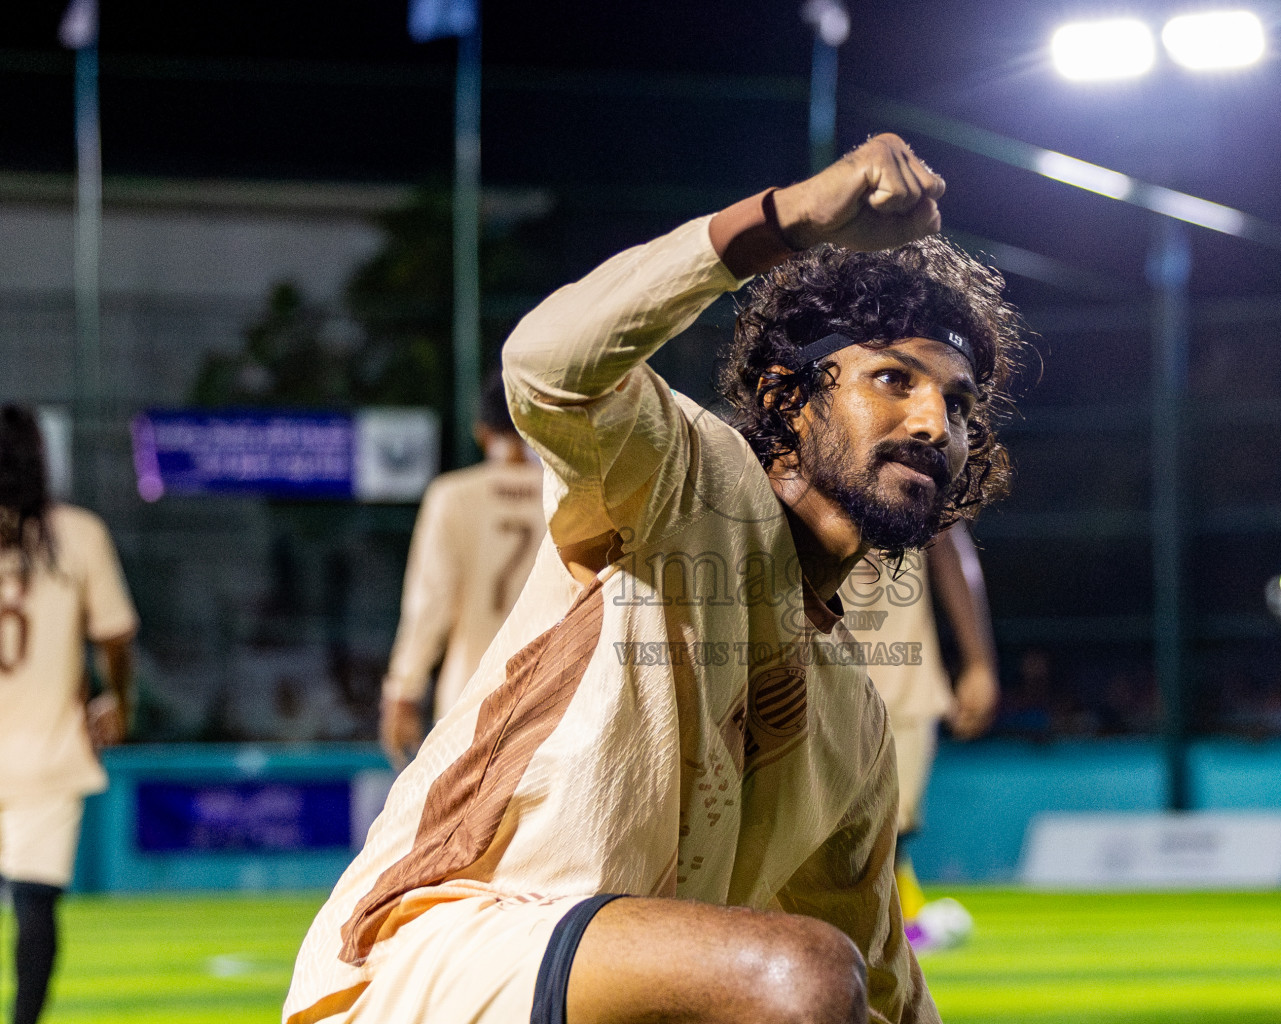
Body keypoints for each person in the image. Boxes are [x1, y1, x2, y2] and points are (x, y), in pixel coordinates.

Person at [285, 133, 1027, 1024]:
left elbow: (888, 989)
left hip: (596, 992)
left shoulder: (853, 722)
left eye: (958, 404)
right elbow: (547, 367)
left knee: (832, 985)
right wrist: (785, 220)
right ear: (791, 398)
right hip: (433, 963)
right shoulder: (682, 474)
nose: (932, 420)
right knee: (797, 977)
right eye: (892, 378)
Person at [0, 405, 137, 1024]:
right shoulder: (78, 533)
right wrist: (118, 701)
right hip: (48, 756)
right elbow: (116, 632)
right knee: (34, 906)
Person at [840, 523, 998, 950]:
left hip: (901, 680)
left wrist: (979, 663)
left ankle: (897, 932)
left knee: (888, 827)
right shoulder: (784, 463)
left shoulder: (920, 462)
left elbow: (950, 549)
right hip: (809, 673)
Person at [378, 375, 546, 767]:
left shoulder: (452, 497)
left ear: (482, 432)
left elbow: (430, 604)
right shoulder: (569, 496)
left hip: (470, 700)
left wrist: (403, 690)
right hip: (555, 698)